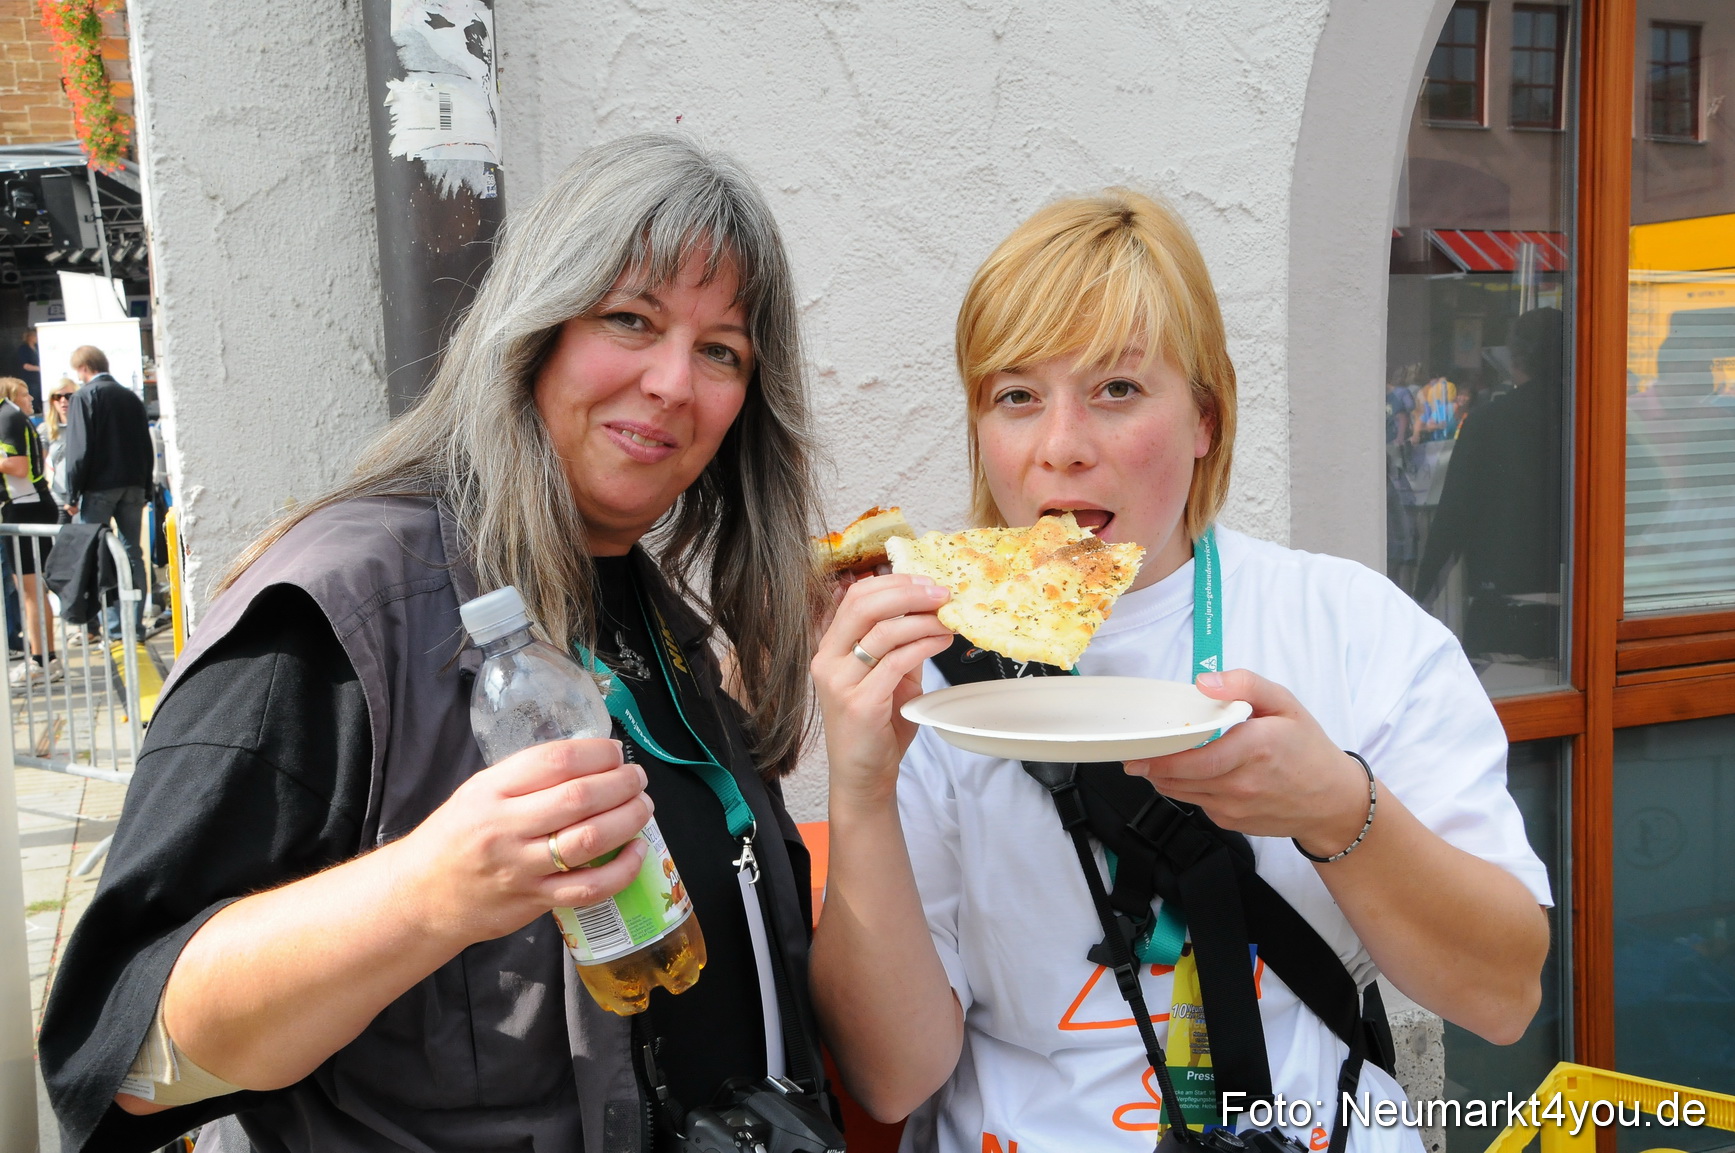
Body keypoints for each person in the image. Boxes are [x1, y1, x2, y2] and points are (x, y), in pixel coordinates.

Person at [40, 135, 830, 1153]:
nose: (674, 382)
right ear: (533, 330)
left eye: (720, 350)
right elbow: (120, 1052)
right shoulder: (342, 605)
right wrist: (429, 892)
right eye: (629, 319)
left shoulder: (653, 612)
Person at [809, 190, 1552, 1153]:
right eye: (1016, 395)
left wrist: (1337, 810)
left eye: (1116, 389)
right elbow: (892, 1075)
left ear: (1205, 418)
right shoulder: (929, 673)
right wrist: (861, 783)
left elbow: (1502, 997)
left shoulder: (1354, 627)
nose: (1060, 445)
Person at [1413, 308, 1566, 663]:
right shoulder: (1590, 415)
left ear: (1516, 357)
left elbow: (1453, 518)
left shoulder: (1491, 421)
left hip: (1504, 607)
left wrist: (1419, 598)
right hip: (1583, 608)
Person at [62, 343, 154, 637]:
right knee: (132, 554)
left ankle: (111, 627)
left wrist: (72, 494)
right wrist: (146, 486)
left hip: (99, 486)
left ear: (83, 369)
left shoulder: (84, 396)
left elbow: (79, 450)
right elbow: (145, 444)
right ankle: (133, 625)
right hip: (134, 484)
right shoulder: (131, 398)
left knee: (99, 554)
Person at [0, 375, 60, 684]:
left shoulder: (6, 415)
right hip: (25, 504)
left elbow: (19, 467)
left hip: (28, 505)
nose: (31, 399)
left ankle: (41, 661)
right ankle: (45, 658)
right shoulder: (9, 414)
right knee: (32, 590)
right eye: (25, 394)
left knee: (31, 592)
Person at [43, 377, 77, 522]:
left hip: (85, 497)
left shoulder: (86, 427)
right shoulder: (46, 430)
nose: (63, 401)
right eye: (57, 397)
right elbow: (37, 461)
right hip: (59, 495)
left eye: (68, 396)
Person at [12, 325, 41, 409]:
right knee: (33, 396)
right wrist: (40, 369)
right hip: (30, 379)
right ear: (30, 337)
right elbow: (25, 366)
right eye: (35, 336)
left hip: (38, 379)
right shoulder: (24, 349)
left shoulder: (37, 348)